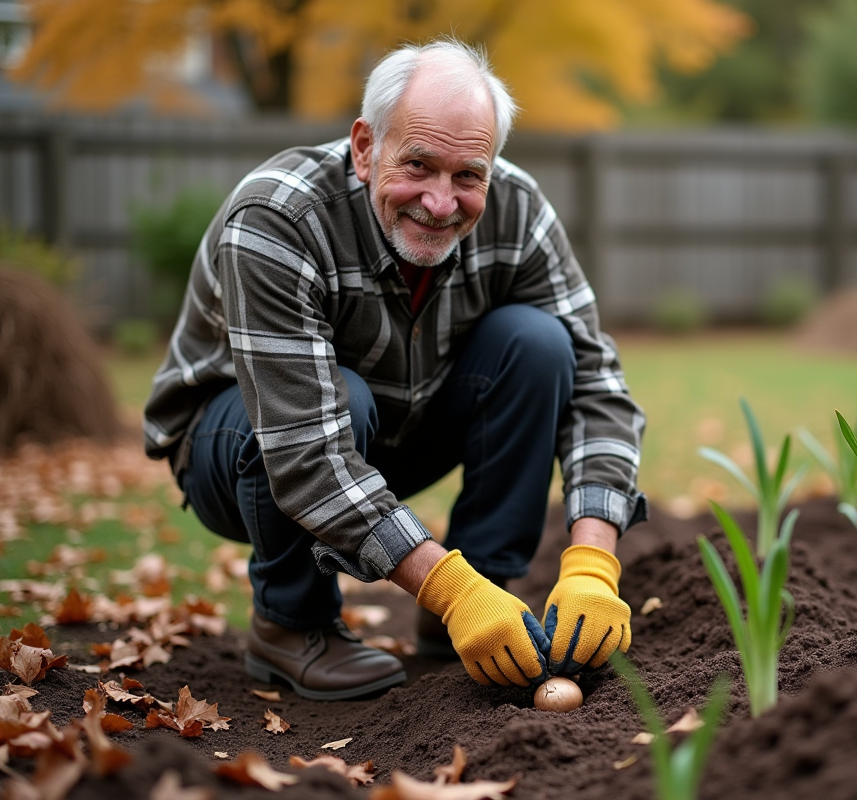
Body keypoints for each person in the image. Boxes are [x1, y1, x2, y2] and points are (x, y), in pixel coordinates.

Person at [143, 39, 646, 700]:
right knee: (341, 401)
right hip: (241, 452)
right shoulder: (278, 217)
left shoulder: (518, 211)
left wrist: (592, 563)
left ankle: (478, 603)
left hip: (399, 430)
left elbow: (595, 385)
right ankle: (292, 624)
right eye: (418, 166)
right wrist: (451, 586)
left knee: (539, 343)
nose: (442, 203)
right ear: (363, 147)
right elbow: (307, 448)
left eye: (468, 175)